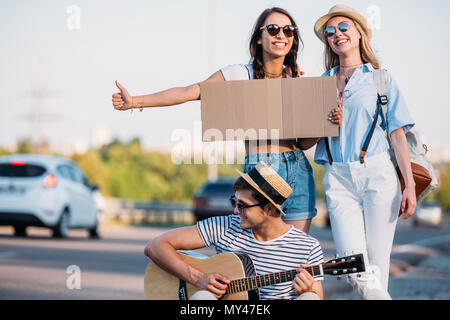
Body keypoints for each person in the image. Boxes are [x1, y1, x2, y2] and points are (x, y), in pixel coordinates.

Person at [112, 7, 342, 234]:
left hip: (298, 167)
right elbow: (190, 91)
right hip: (261, 167)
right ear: (259, 38)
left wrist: (326, 122)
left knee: (296, 253)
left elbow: (302, 143)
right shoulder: (239, 74)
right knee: (260, 254)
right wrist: (135, 101)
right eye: (273, 29)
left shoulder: (297, 80)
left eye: (288, 30)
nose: (281, 35)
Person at [312, 5, 416, 300]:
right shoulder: (321, 82)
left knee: (377, 267)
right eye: (330, 32)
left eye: (343, 27)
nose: (337, 34)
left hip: (377, 173)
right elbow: (308, 135)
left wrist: (408, 184)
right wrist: (325, 121)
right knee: (350, 265)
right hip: (337, 177)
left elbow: (397, 135)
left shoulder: (379, 79)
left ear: (359, 33)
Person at [144, 161, 324, 300]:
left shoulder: (308, 247)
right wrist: (197, 278)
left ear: (269, 208)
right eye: (234, 202)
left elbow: (317, 295)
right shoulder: (226, 226)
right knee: (203, 296)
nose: (236, 211)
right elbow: (155, 246)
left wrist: (309, 289)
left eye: (243, 205)